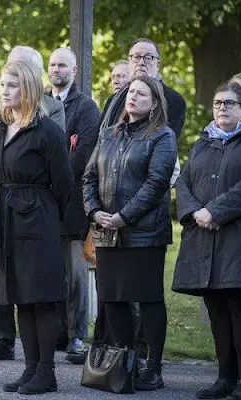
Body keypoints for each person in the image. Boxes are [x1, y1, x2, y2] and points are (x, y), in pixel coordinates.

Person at [173, 81, 241, 400]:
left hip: (240, 239)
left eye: (229, 104)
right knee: (216, 309)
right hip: (203, 240)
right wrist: (195, 212)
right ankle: (224, 378)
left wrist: (214, 212)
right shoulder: (204, 141)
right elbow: (183, 182)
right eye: (217, 103)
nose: (222, 109)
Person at [83, 75, 177, 391]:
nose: (132, 97)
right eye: (130, 92)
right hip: (106, 230)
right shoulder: (109, 134)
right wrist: (95, 212)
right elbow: (88, 179)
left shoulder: (162, 136)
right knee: (113, 299)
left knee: (148, 299)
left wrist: (124, 217)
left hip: (144, 233)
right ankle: (126, 362)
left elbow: (157, 183)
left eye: (141, 93)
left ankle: (154, 367)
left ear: (154, 104)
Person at [0, 60, 72, 394]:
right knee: (20, 297)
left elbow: (63, 183)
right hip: (5, 220)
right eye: (2, 84)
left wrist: (44, 214)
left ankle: (47, 372)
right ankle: (30, 368)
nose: (4, 91)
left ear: (29, 90)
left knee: (42, 298)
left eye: (12, 85)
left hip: (37, 221)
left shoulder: (47, 130)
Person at [47, 47, 101, 358]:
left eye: (63, 65)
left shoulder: (86, 107)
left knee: (76, 278)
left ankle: (78, 335)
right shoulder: (40, 100)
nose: (57, 69)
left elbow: (82, 155)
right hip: (44, 205)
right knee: (52, 274)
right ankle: (55, 333)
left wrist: (54, 177)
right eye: (53, 64)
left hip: (73, 207)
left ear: (75, 70)